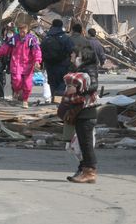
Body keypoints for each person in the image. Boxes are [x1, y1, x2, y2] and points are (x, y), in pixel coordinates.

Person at [59, 46, 99, 184]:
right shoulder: (81, 70)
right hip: (80, 113)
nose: (73, 56)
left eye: (77, 55)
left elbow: (93, 86)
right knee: (81, 144)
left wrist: (77, 89)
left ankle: (89, 172)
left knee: (86, 145)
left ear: (83, 57)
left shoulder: (89, 70)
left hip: (86, 112)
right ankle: (82, 169)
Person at [0, 23, 42, 109]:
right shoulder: (14, 39)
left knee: (27, 84)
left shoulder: (31, 40)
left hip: (28, 65)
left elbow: (36, 51)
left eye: (23, 31)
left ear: (27, 31)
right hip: (16, 64)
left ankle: (25, 100)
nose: (22, 33)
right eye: (20, 31)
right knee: (17, 81)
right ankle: (16, 91)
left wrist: (37, 61)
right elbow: (5, 48)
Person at [41, 19, 74, 98]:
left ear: (52, 25)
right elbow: (71, 50)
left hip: (49, 65)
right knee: (62, 82)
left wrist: (42, 63)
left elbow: (41, 50)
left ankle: (53, 97)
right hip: (62, 64)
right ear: (61, 26)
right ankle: (58, 100)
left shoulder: (46, 38)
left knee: (52, 82)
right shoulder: (65, 38)